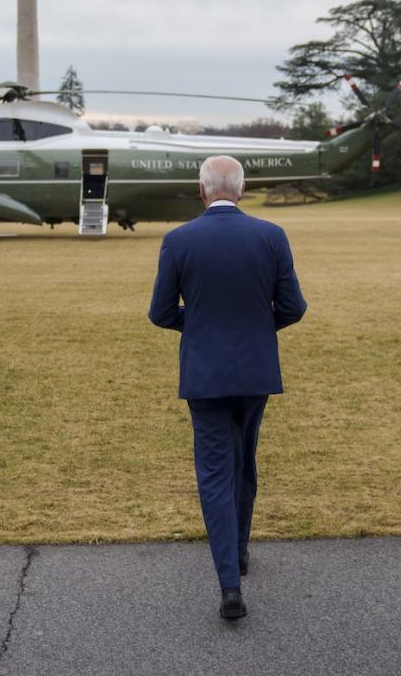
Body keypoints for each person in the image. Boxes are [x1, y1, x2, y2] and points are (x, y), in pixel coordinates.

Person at [148, 155, 307, 621]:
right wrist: (260, 328)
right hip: (256, 371)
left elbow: (160, 312)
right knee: (245, 462)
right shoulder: (271, 236)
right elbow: (293, 306)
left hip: (205, 374)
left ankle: (230, 583)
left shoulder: (179, 240)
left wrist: (196, 326)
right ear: (241, 189)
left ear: (202, 190)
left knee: (216, 473)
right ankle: (238, 551)